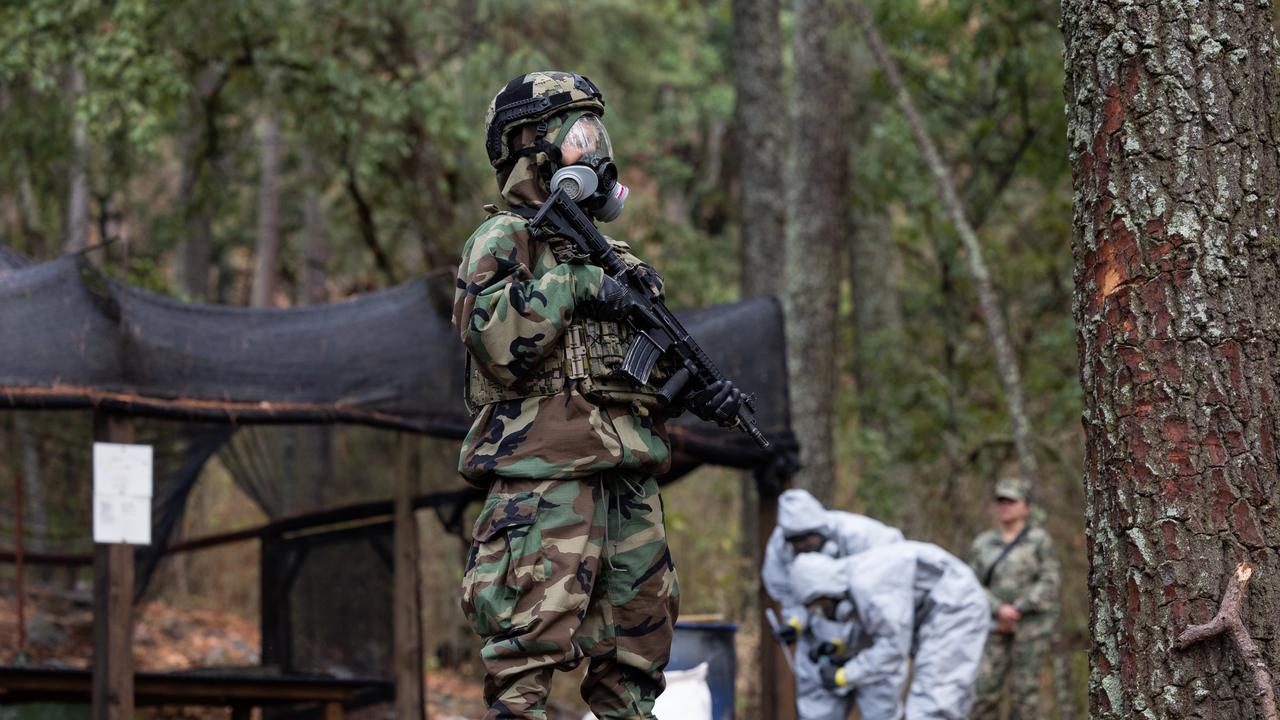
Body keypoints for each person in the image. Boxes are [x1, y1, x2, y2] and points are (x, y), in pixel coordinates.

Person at [453, 70, 742, 720]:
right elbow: (498, 345)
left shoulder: (615, 259)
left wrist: (695, 391)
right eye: (580, 135)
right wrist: (577, 288)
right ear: (531, 145)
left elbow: (635, 379)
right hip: (544, 486)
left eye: (596, 132)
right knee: (524, 670)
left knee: (634, 676)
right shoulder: (506, 242)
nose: (596, 146)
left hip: (628, 489)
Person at [793, 544, 991, 720]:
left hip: (955, 609)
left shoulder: (868, 586)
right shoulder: (854, 582)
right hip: (936, 614)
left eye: (821, 606)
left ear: (826, 591)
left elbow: (893, 649)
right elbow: (879, 629)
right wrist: (841, 647)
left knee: (931, 706)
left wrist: (844, 676)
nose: (823, 613)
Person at [761, 489, 903, 719]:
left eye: (809, 539)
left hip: (870, 643)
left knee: (881, 710)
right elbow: (790, 597)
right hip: (820, 647)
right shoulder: (779, 551)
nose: (804, 546)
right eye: (797, 542)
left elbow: (888, 596)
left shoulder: (863, 537)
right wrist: (794, 624)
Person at [968, 478, 1061, 720]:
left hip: (1030, 629)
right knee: (983, 692)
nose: (1004, 506)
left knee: (1024, 696)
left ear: (1026, 506)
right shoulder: (983, 543)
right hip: (993, 627)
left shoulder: (1039, 540)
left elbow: (1050, 580)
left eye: (1011, 501)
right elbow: (970, 584)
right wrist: (998, 609)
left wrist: (1018, 608)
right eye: (1000, 501)